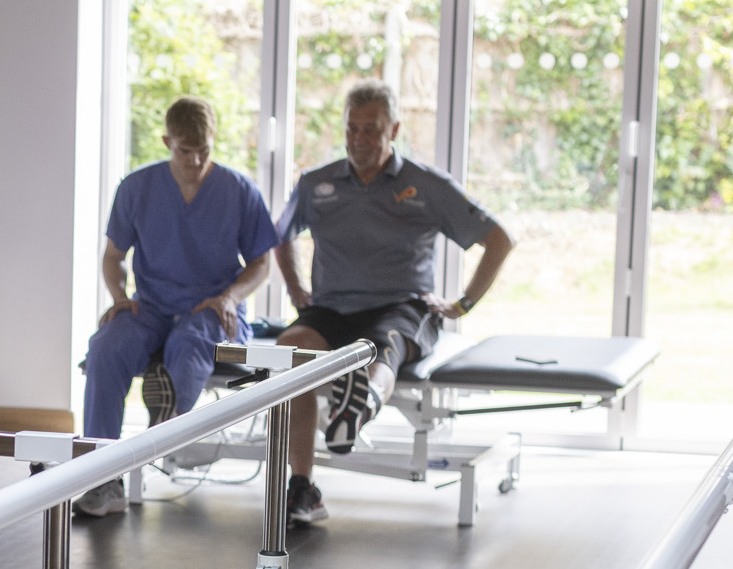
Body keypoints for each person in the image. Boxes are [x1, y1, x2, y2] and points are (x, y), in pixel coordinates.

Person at [273, 79, 513, 526]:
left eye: (372, 130)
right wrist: (295, 290)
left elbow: (498, 240)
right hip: (331, 307)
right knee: (292, 355)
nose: (360, 140)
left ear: (394, 130)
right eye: (352, 129)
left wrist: (463, 303)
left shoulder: (424, 185)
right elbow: (280, 236)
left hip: (401, 306)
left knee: (382, 349)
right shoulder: (316, 183)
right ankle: (302, 487)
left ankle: (358, 404)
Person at [77, 96, 279, 517]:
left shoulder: (239, 190)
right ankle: (102, 479)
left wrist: (231, 297)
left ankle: (165, 427)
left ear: (214, 140)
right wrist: (119, 299)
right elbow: (113, 256)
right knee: (106, 348)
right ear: (167, 141)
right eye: (185, 151)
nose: (196, 159)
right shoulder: (137, 187)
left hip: (212, 308)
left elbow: (262, 263)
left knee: (189, 343)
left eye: (204, 150)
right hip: (151, 305)